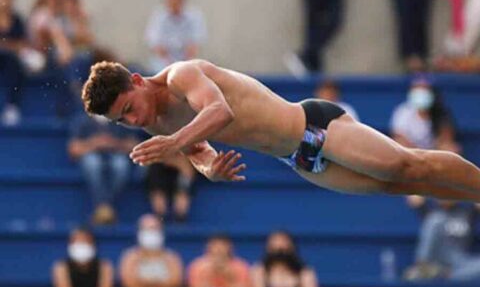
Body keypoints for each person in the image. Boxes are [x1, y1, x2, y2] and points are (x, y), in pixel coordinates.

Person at [81, 59, 480, 202]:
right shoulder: (156, 122)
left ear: (136, 80)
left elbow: (219, 112)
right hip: (297, 159)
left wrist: (173, 143)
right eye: (122, 121)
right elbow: (199, 152)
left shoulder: (181, 77)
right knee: (397, 186)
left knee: (403, 164)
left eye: (129, 109)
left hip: (314, 125)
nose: (133, 123)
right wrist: (210, 171)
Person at [67, 113, 139, 225]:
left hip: (116, 154)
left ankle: (102, 207)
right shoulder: (82, 121)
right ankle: (106, 207)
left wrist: (114, 143)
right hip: (91, 154)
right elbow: (73, 149)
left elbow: (134, 146)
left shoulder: (121, 120)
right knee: (92, 163)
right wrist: (94, 144)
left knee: (120, 165)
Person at [403, 195, 480, 281]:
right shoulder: (429, 210)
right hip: (436, 258)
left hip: (459, 261)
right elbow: (413, 194)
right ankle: (422, 266)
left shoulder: (468, 212)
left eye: (450, 192)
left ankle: (445, 275)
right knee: (435, 219)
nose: (446, 196)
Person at [145, 0, 207, 73]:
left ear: (182, 0)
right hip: (163, 63)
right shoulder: (158, 16)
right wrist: (170, 65)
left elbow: (194, 45)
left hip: (187, 61)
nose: (172, 3)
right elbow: (156, 44)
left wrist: (183, 66)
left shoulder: (195, 16)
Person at [390, 78, 459, 151]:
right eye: (417, 91)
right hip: (411, 152)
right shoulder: (402, 111)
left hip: (434, 152)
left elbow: (446, 138)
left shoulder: (441, 112)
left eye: (424, 91)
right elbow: (399, 137)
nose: (420, 94)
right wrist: (419, 155)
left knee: (452, 148)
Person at [0, 0, 27, 125]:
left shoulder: (17, 19)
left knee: (14, 63)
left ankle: (11, 107)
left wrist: (7, 45)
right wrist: (10, 45)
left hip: (9, 60)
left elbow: (22, 44)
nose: (5, 0)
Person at [146, 154, 195, 222]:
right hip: (159, 168)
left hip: (181, 168)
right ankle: (160, 218)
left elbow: (188, 174)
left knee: (182, 196)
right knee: (158, 196)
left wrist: (180, 163)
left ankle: (180, 220)